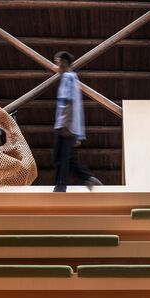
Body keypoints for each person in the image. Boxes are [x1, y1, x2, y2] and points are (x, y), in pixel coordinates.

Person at [52, 51, 101, 192]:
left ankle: (61, 187)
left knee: (60, 157)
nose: (56, 66)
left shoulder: (68, 77)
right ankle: (88, 178)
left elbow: (69, 102)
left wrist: (66, 125)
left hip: (65, 125)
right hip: (69, 125)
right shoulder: (72, 78)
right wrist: (77, 134)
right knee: (68, 157)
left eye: (57, 62)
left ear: (63, 63)